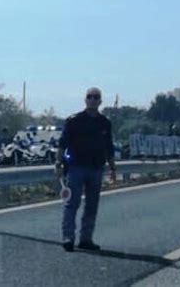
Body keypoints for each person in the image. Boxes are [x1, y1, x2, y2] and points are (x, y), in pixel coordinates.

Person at [55, 87, 116, 252]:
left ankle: (86, 238)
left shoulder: (105, 123)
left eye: (96, 97)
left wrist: (112, 167)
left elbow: (108, 147)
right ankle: (68, 237)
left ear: (100, 101)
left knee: (92, 205)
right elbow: (62, 144)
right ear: (85, 99)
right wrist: (58, 163)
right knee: (71, 204)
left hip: (96, 168)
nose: (92, 100)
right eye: (90, 97)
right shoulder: (74, 120)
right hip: (76, 168)